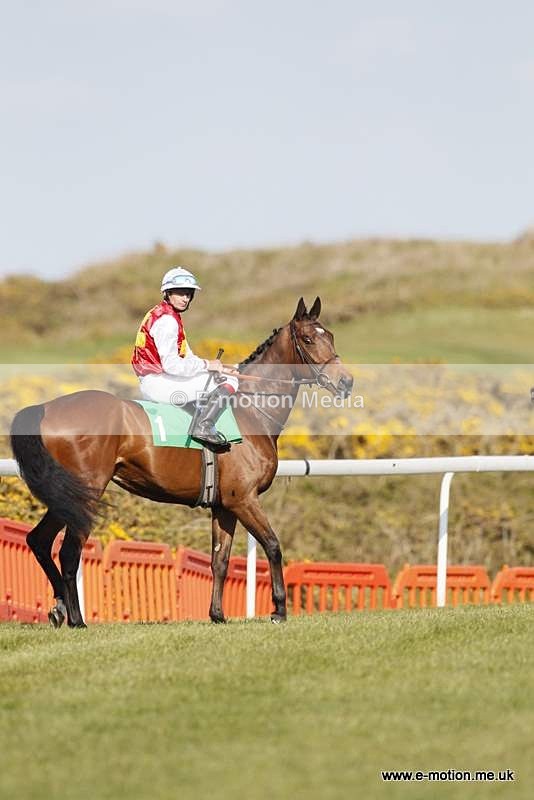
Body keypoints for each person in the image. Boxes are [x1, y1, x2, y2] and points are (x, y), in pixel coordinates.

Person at [132, 267, 240, 446]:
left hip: (157, 379)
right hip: (160, 382)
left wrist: (212, 366)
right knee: (230, 379)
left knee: (222, 373)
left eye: (189, 294)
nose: (185, 298)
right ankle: (203, 427)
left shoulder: (165, 314)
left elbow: (187, 357)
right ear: (167, 292)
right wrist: (207, 365)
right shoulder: (167, 321)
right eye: (180, 293)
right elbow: (172, 365)